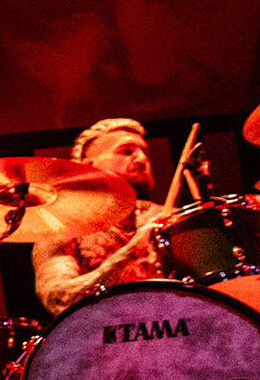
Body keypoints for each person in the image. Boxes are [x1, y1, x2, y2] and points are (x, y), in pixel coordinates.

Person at [31, 117, 166, 317]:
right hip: (105, 332)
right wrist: (130, 253)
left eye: (144, 152)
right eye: (126, 151)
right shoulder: (61, 224)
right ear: (89, 165)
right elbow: (60, 299)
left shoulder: (164, 216)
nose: (141, 159)